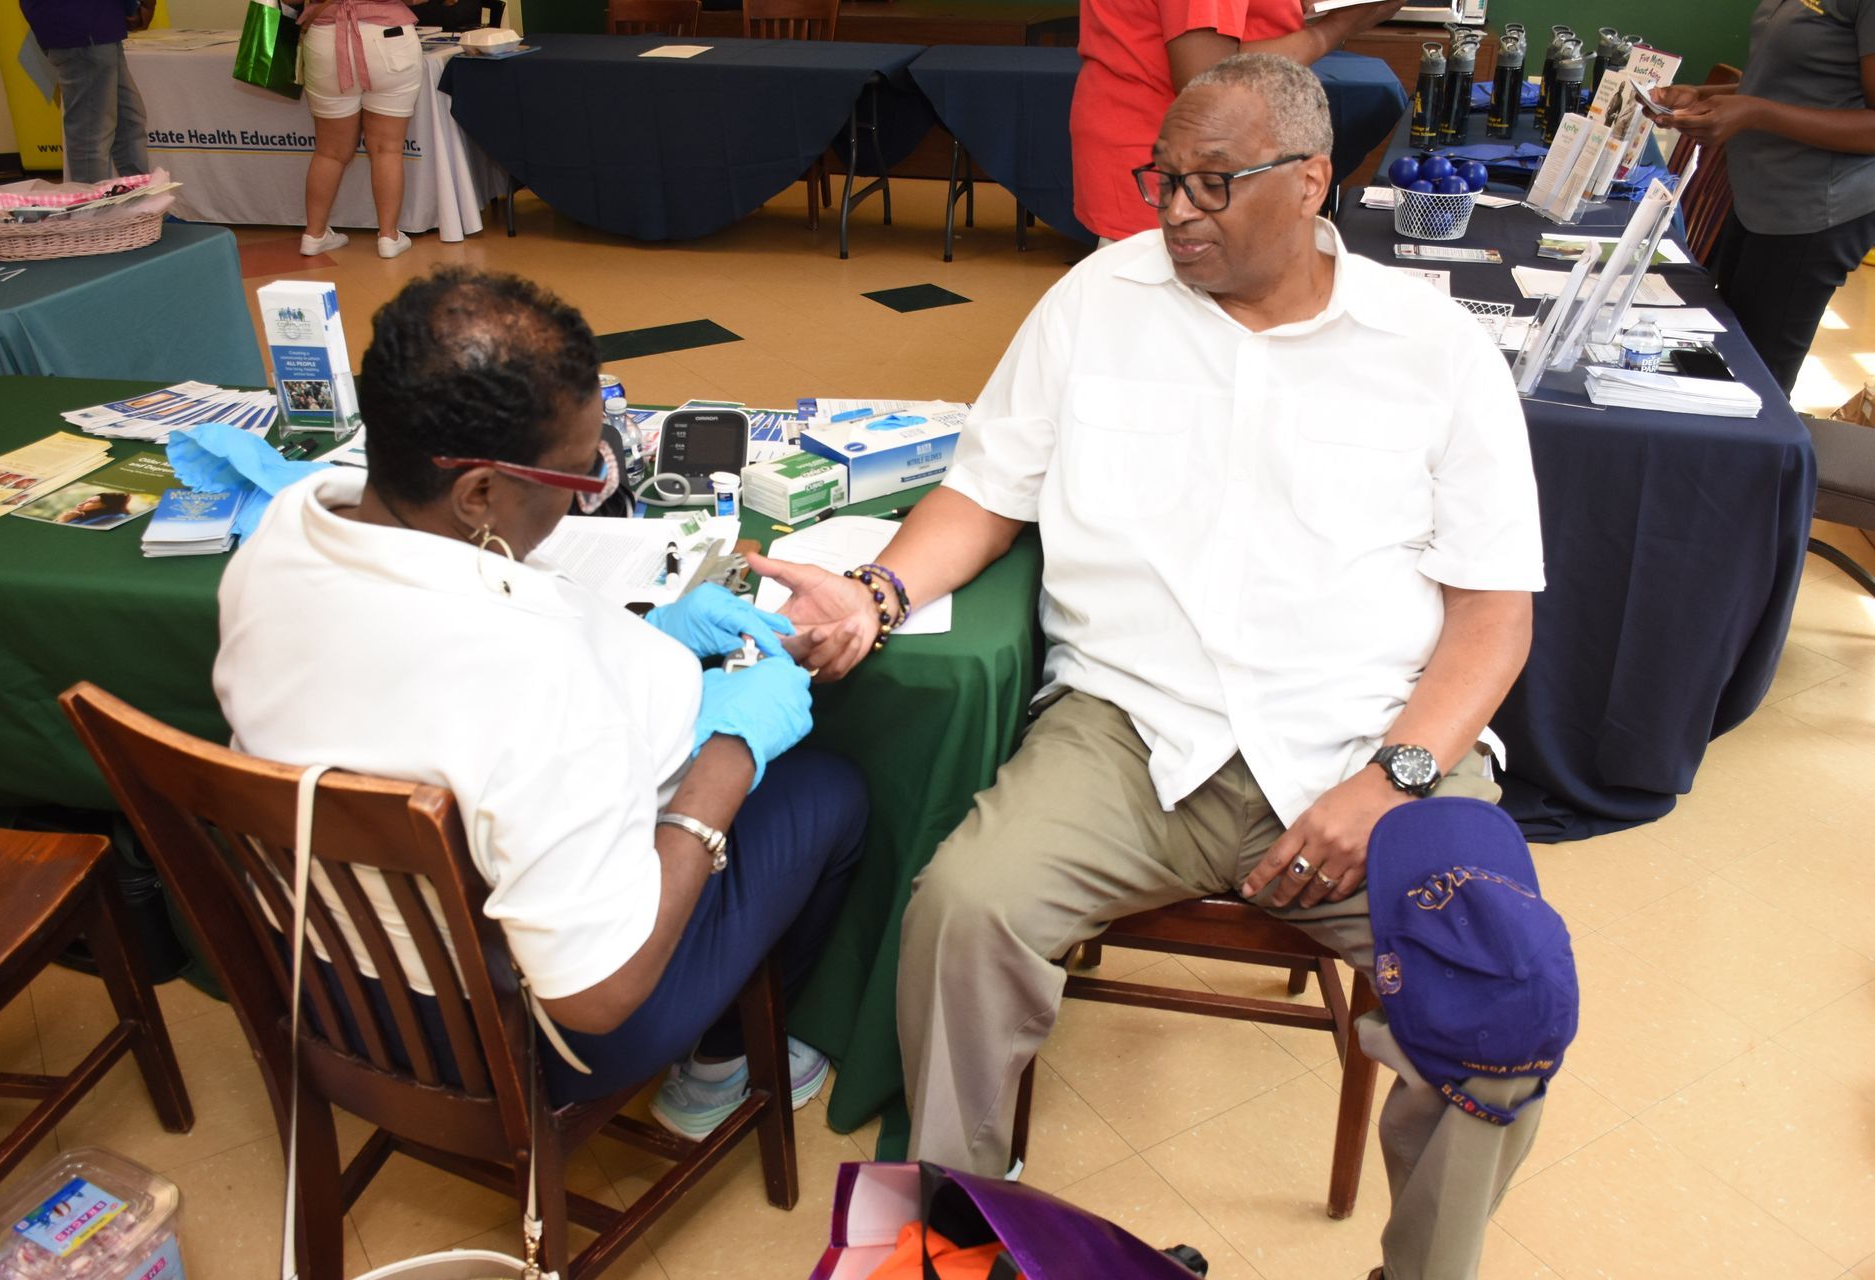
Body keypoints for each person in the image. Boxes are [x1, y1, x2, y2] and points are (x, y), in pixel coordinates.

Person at [757, 54, 1550, 1280]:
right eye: (1163, 178)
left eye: (1214, 184)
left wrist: (1392, 776)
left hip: (1369, 739)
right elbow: (986, 491)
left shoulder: (1433, 347)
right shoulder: (1096, 299)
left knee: (1501, 1000)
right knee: (965, 908)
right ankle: (961, 1229)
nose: (1175, 211)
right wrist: (877, 590)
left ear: (1312, 182)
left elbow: (1495, 616)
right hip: (1133, 728)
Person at [214, 267, 866, 1138]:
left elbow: (442, 667)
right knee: (827, 795)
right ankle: (716, 1066)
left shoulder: (285, 533)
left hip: (327, 980)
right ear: (478, 491)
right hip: (516, 1039)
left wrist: (650, 633)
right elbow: (598, 996)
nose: (592, 488)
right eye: (578, 475)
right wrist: (731, 753)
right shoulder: (530, 675)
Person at [1646, 0, 1875, 395]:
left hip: (1812, 211)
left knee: (1754, 387)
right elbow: (1785, 85)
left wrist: (1753, 114)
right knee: (1722, 359)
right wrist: (1701, 96)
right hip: (1758, 195)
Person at [1071, 0, 1407, 242]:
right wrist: (1335, 29)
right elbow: (1208, 77)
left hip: (1173, 151)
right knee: (1167, 319)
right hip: (1172, 159)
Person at [294, 0, 426, 258]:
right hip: (390, 40)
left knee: (329, 152)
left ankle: (314, 234)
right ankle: (388, 237)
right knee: (386, 148)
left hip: (325, 41)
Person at [20, 0, 153, 183]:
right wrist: (134, 7)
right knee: (91, 137)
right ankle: (93, 209)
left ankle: (142, 201)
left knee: (129, 122)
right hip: (84, 27)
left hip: (95, 26)